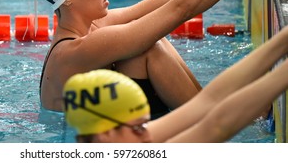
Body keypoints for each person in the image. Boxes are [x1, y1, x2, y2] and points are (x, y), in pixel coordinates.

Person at [34, 0, 281, 116]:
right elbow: (181, 8)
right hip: (75, 145)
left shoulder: (93, 29)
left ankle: (212, 112)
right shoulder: (77, 51)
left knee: (147, 44)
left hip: (101, 126)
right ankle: (213, 119)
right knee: (150, 46)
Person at [63, 23, 288, 143]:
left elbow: (207, 101)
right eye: (139, 127)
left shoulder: (127, 142)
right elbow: (216, 126)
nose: (148, 132)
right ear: (106, 134)